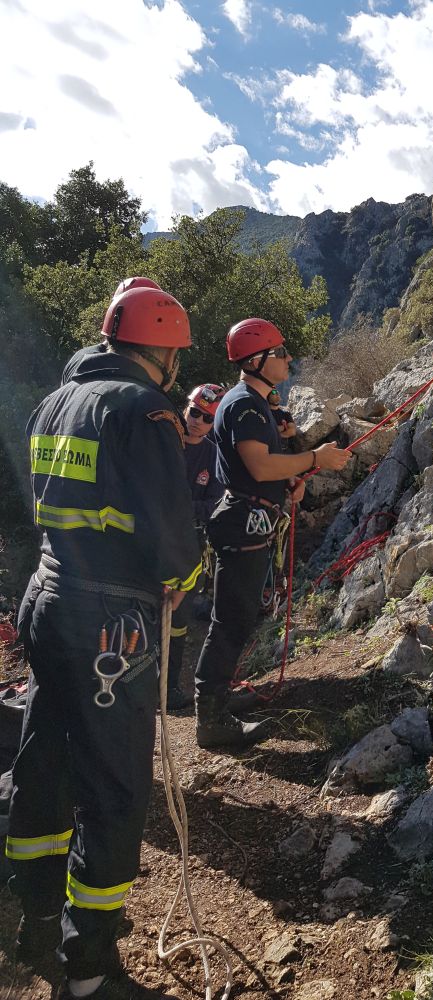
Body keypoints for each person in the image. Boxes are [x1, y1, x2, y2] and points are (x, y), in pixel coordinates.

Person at [6, 285, 201, 1000]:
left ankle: (34, 922)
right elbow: (169, 526)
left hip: (46, 594)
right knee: (114, 789)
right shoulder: (144, 410)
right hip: (110, 617)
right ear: (165, 351)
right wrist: (185, 575)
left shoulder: (53, 403)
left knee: (43, 757)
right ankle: (90, 969)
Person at [193, 317, 351, 749]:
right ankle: (210, 719)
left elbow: (263, 469)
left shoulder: (256, 402)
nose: (288, 358)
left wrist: (291, 480)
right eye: (280, 352)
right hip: (243, 520)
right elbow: (259, 465)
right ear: (258, 360)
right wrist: (313, 458)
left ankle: (219, 697)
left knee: (240, 615)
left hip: (252, 517)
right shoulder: (244, 405)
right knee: (231, 619)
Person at [166, 383, 225, 710]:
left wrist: (182, 509)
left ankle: (170, 687)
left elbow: (214, 502)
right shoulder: (164, 440)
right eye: (194, 412)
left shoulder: (212, 456)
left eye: (206, 417)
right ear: (185, 407)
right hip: (153, 538)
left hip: (189, 542)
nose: (198, 420)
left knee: (178, 619)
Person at [267, 387, 296, 452]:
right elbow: (264, 431)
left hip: (285, 450)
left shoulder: (285, 413)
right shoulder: (265, 413)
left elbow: (292, 431)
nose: (277, 393)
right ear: (267, 397)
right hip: (270, 451)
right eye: (273, 392)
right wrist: (283, 428)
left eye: (277, 392)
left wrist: (276, 433)